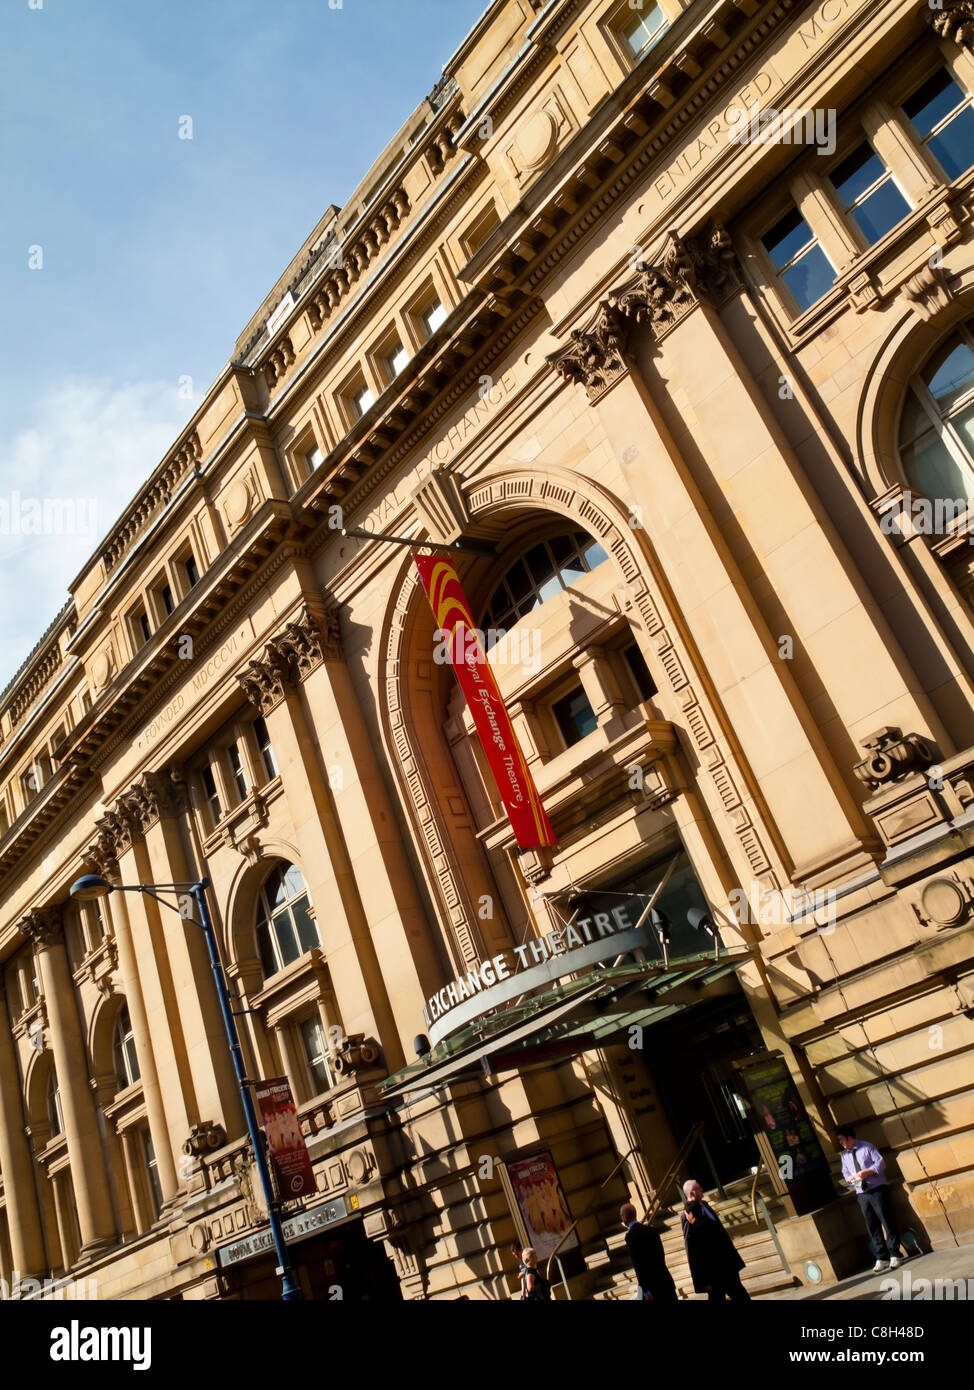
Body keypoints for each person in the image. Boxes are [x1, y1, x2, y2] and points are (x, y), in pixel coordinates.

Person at [835, 1126, 903, 1272]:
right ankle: (881, 1257)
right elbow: (845, 1173)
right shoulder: (844, 1155)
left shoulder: (867, 1146)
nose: (840, 1143)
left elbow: (880, 1163)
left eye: (841, 1139)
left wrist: (868, 1172)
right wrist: (851, 1179)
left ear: (849, 1137)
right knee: (872, 1225)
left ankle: (895, 1253)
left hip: (877, 1189)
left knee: (886, 1220)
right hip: (861, 1193)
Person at [681, 1179, 750, 1301]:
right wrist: (701, 1280)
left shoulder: (705, 1205)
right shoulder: (688, 1214)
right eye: (698, 1188)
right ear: (691, 1193)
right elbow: (692, 1250)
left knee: (740, 1294)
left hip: (727, 1263)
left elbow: (718, 1232)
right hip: (712, 1271)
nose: (702, 1189)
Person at [620, 1203, 677, 1302]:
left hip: (651, 1286)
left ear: (624, 1217)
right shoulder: (651, 1230)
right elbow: (661, 1255)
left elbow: (638, 1264)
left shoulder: (630, 1237)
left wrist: (644, 1289)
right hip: (664, 1279)